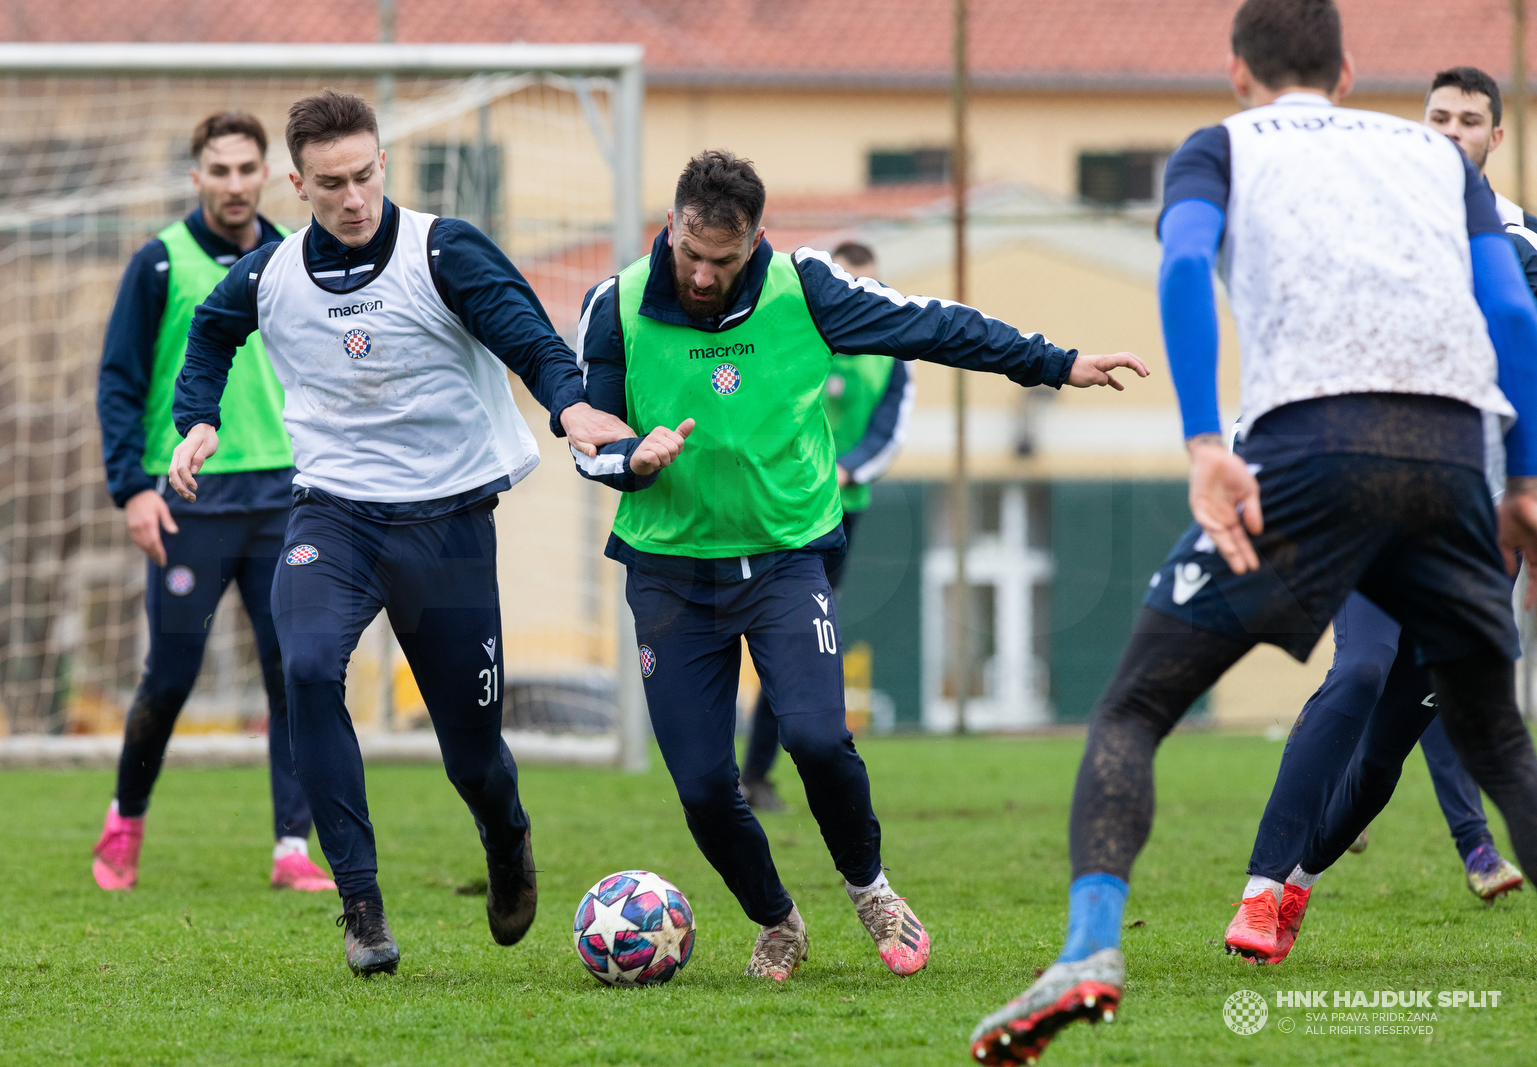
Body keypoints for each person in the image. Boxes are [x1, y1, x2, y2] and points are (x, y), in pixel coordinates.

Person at [971, 2, 1537, 1063]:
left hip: (1310, 444)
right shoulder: (1433, 158)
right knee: (1498, 739)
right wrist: (1527, 480)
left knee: (1135, 702)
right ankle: (1289, 878)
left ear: (1236, 72)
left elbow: (1184, 266)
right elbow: (1511, 317)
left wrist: (1199, 440)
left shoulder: (1218, 147)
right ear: (1349, 68)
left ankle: (1091, 946)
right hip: (1451, 452)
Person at [573, 150, 1147, 982]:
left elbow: (933, 325)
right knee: (703, 783)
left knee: (815, 735)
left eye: (723, 260)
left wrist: (1054, 362)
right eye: (690, 252)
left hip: (784, 559)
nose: (701, 275)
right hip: (668, 572)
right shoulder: (616, 305)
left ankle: (870, 887)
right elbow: (587, 434)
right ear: (670, 224)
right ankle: (777, 921)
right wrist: (633, 457)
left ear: (756, 242)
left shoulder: (806, 287)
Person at [167, 90, 629, 977]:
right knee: (304, 667)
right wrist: (198, 418)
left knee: (473, 751)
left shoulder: (443, 249)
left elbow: (525, 332)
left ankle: (506, 835)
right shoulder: (269, 275)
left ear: (383, 162)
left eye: (366, 174)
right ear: (296, 183)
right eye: (331, 183)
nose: (353, 197)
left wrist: (569, 402)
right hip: (333, 515)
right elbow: (212, 331)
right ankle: (362, 905)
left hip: (449, 524)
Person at [1220, 65, 1535, 970]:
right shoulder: (1366, 229)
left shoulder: (1521, 246)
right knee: (1356, 671)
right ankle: (1257, 888)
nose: (1449, 131)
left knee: (1394, 735)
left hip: (1477, 531)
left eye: (1469, 121)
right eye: (1436, 116)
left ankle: (1298, 886)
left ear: (1494, 139)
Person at [91, 111, 334, 895]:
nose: (234, 183)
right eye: (218, 170)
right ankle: (125, 819)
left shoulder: (298, 259)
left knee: (291, 672)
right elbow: (119, 383)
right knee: (170, 675)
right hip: (188, 498)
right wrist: (131, 487)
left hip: (284, 497)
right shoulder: (158, 264)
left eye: (246, 169)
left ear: (268, 174)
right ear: (197, 176)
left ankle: (292, 846)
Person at [737, 239, 914, 813]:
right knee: (734, 629)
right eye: (850, 286)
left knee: (794, 637)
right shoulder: (794, 331)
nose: (860, 298)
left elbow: (888, 432)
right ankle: (727, 776)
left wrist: (846, 469)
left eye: (871, 286)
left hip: (838, 516)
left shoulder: (890, 351)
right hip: (770, 506)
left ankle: (758, 774)